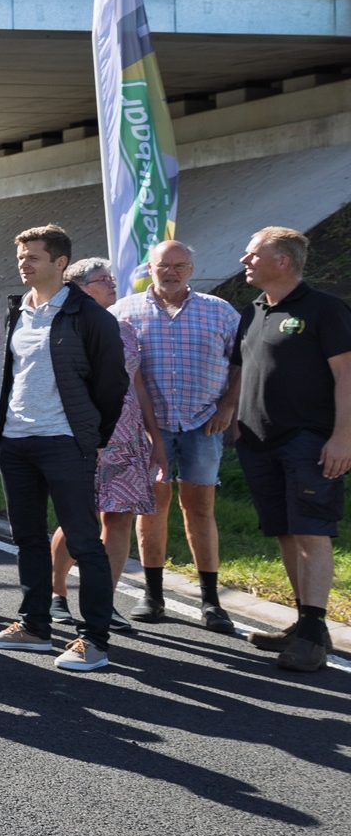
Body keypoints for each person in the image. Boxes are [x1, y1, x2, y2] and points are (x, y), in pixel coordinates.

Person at [0, 225, 127, 673]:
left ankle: (94, 641)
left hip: (64, 442)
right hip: (17, 442)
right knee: (27, 538)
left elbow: (112, 385)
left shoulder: (91, 317)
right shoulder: (18, 310)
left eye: (33, 257)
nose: (23, 264)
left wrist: (94, 439)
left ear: (60, 263)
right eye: (21, 256)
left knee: (84, 541)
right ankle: (34, 627)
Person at [228, 226, 351, 672]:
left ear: (282, 261)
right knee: (284, 531)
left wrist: (343, 437)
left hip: (309, 441)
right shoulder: (253, 310)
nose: (244, 260)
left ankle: (315, 637)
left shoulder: (324, 309)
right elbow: (242, 371)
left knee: (312, 532)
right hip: (258, 441)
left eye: (252, 254)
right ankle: (303, 624)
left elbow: (347, 376)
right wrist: (233, 420)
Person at [113, 240, 242, 632]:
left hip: (204, 423)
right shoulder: (124, 312)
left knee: (200, 507)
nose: (171, 272)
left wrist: (229, 406)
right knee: (151, 507)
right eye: (163, 265)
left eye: (180, 266)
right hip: (150, 428)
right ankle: (153, 595)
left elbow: (244, 362)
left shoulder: (220, 311)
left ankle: (211, 601)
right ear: (149, 268)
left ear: (192, 269)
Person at [46, 258, 165, 631]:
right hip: (81, 436)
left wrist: (155, 439)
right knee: (77, 517)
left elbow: (137, 386)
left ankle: (103, 602)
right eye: (103, 279)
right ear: (79, 288)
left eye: (112, 278)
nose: (112, 284)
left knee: (119, 517)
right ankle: (57, 593)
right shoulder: (63, 326)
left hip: (126, 438)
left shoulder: (124, 328)